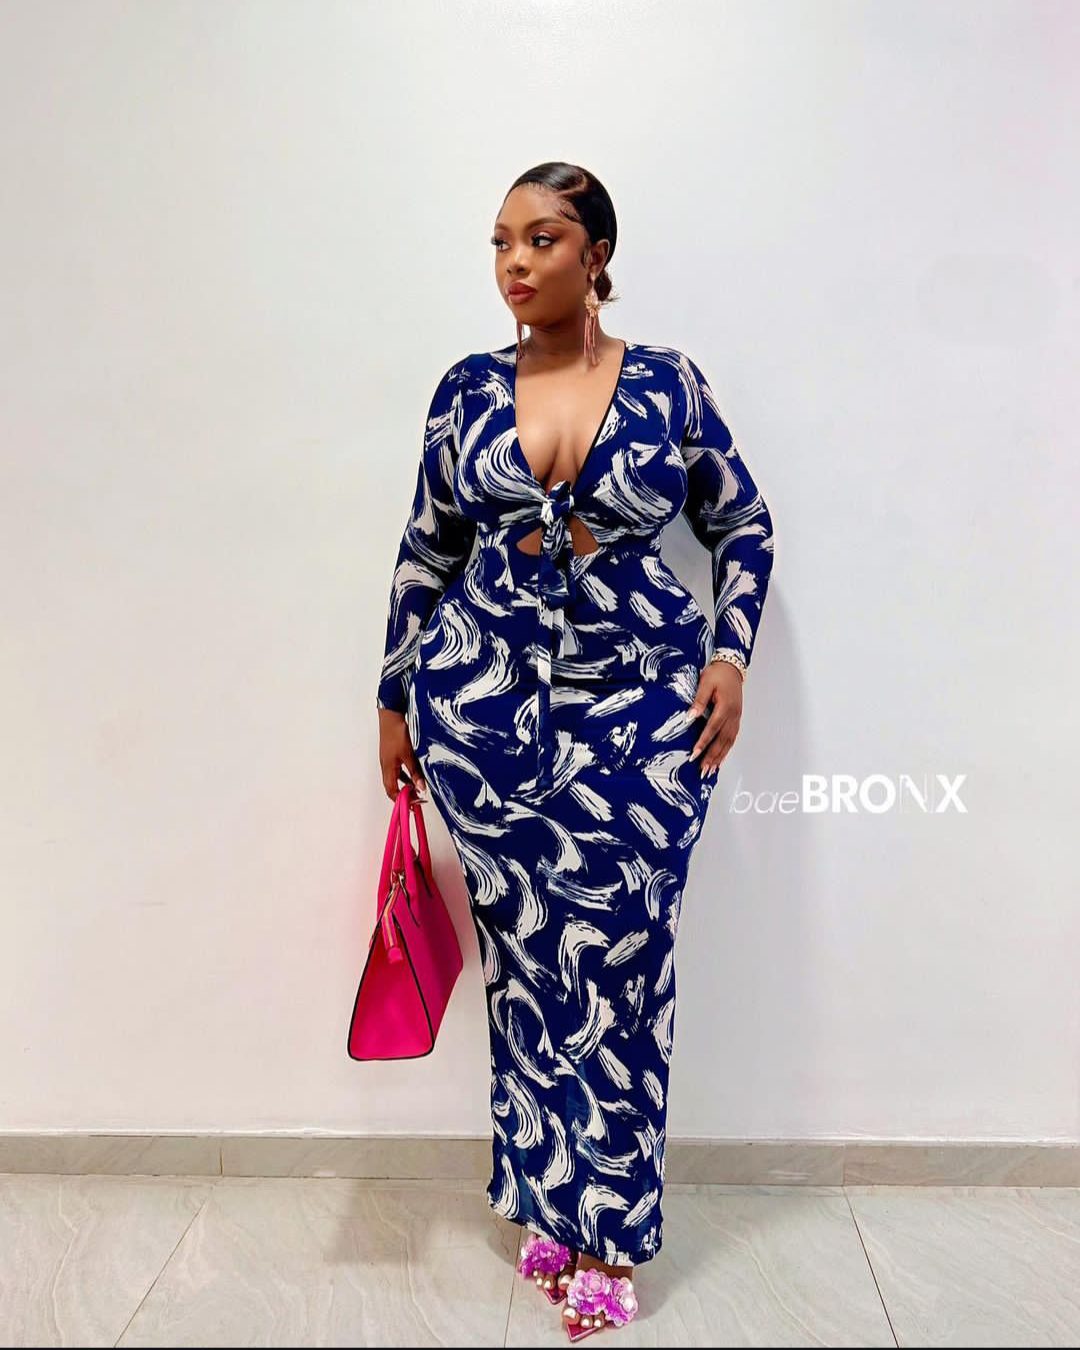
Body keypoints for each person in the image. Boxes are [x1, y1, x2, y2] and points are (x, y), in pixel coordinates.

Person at [376, 161, 774, 1339]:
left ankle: (612, 1228)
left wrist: (731, 653)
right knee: (530, 968)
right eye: (500, 241)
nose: (514, 262)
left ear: (596, 254)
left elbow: (742, 523)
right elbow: (427, 547)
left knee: (625, 971)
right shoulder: (465, 391)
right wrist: (394, 695)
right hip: (485, 717)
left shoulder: (666, 384)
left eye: (541, 239)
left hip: (644, 715)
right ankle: (544, 1199)